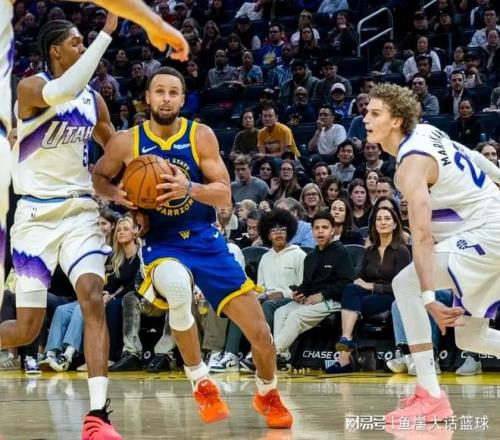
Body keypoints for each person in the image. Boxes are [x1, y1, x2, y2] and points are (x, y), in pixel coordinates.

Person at [92, 67, 293, 429]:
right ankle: (201, 382)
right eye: (159, 91)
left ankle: (268, 392)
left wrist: (188, 188)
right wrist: (126, 200)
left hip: (204, 239)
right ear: (147, 97)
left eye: (173, 92)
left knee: (261, 335)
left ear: (183, 99)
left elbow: (224, 194)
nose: (166, 98)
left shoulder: (200, 136)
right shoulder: (126, 142)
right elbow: (99, 177)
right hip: (162, 242)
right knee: (178, 288)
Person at [0, 0, 189, 357]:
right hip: (31, 207)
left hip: (77, 208)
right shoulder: (32, 88)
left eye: (85, 43)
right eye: (76, 43)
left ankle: (98, 391)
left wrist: (137, 191)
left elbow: (116, 150)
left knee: (89, 300)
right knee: (25, 329)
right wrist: (108, 31)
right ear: (55, 50)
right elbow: (62, 91)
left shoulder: (93, 100)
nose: (83, 48)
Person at [365, 82, 500, 422]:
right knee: (472, 339)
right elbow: (474, 157)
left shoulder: (410, 166)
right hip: (486, 232)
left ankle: (430, 395)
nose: (365, 119)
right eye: (367, 112)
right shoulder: (428, 131)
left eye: (375, 113)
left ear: (396, 121)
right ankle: (430, 395)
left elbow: (423, 236)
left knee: (405, 284)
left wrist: (427, 297)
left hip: (487, 235)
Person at [327, 206, 411, 373]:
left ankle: (344, 359)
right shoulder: (370, 251)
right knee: (351, 290)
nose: (382, 222)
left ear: (395, 224)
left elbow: (402, 285)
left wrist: (372, 286)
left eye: (387, 218)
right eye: (379, 219)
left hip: (390, 295)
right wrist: (360, 283)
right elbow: (359, 278)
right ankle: (346, 338)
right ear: (374, 225)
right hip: (367, 294)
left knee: (353, 307)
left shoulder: (402, 251)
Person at [273, 211, 354, 367]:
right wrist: (299, 293)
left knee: (295, 317)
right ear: (312, 231)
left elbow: (347, 283)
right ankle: (282, 357)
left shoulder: (342, 253)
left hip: (332, 301)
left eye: (325, 227)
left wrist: (322, 295)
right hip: (311, 300)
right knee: (280, 312)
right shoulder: (311, 256)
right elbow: (307, 284)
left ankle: (271, 353)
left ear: (332, 230)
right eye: (316, 228)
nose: (320, 231)